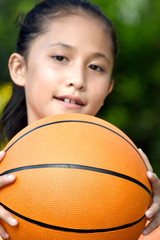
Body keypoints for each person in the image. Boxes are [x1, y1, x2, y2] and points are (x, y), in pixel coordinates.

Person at [0, 0, 160, 239]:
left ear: (108, 89)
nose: (78, 79)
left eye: (95, 66)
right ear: (19, 68)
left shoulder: (139, 197)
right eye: (60, 57)